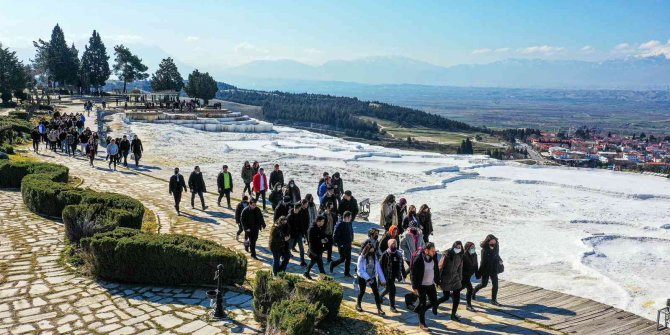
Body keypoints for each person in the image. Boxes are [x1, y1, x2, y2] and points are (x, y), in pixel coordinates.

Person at [411, 242, 440, 331]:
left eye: (434, 251)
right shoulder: (419, 258)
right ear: (426, 251)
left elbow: (436, 270)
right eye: (432, 251)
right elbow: (413, 273)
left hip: (431, 284)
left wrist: (437, 281)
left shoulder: (433, 257)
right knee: (423, 304)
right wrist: (414, 286)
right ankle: (422, 323)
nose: (434, 252)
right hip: (422, 286)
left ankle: (419, 309)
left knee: (434, 302)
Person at [356, 242, 386, 316]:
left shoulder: (374, 257)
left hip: (372, 277)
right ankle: (358, 304)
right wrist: (368, 279)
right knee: (362, 291)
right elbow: (360, 270)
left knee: (376, 293)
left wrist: (383, 280)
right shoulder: (361, 258)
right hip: (362, 277)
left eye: (373, 251)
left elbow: (378, 268)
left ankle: (379, 309)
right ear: (367, 251)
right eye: (370, 251)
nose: (372, 253)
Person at [473, 234, 503, 306]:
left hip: (494, 269)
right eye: (492, 242)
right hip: (486, 270)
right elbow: (482, 262)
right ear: (488, 242)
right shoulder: (484, 250)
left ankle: (493, 300)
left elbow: (497, 255)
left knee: (495, 285)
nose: (493, 244)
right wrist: (480, 272)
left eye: (494, 242)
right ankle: (473, 292)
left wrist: (500, 260)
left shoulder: (496, 246)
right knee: (484, 284)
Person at [438, 241, 464, 322]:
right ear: (453, 247)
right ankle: (435, 305)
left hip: (456, 279)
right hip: (446, 278)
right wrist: (438, 280)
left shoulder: (460, 256)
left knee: (457, 298)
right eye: (457, 247)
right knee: (446, 297)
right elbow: (440, 267)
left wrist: (460, 278)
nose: (458, 249)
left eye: (460, 247)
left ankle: (453, 315)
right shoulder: (447, 255)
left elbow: (460, 268)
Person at [380, 238, 406, 313]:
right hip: (387, 275)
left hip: (394, 275)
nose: (394, 245)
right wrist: (381, 277)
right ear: (389, 245)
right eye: (392, 244)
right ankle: (392, 306)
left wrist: (403, 274)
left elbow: (402, 265)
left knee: (388, 289)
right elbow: (381, 266)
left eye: (395, 244)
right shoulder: (385, 254)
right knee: (392, 290)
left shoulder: (398, 254)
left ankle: (380, 296)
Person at [331, 211, 354, 276]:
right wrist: (340, 244)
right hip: (342, 245)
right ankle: (333, 264)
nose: (351, 218)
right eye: (350, 217)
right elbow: (335, 236)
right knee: (342, 259)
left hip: (348, 244)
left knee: (348, 259)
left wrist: (351, 239)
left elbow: (351, 232)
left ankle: (347, 272)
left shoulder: (349, 223)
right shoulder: (340, 225)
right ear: (346, 217)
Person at [304, 215, 327, 280]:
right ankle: (324, 276)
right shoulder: (312, 228)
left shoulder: (319, 227)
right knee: (320, 263)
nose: (323, 222)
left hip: (319, 248)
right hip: (314, 249)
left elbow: (321, 234)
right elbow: (311, 240)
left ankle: (306, 272)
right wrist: (321, 240)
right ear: (318, 221)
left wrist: (324, 238)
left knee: (314, 261)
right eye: (322, 221)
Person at [287, 201, 309, 267]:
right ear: (297, 208)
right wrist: (288, 234)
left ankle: (302, 261)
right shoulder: (289, 216)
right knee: (289, 247)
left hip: (299, 234)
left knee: (301, 248)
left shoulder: (299, 214)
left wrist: (303, 233)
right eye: (299, 208)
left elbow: (301, 224)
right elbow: (288, 227)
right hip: (292, 235)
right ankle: (284, 256)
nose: (300, 210)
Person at [462, 241, 479, 312]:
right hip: (463, 275)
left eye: (474, 247)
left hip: (469, 275)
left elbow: (476, 265)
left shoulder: (475, 254)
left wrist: (477, 274)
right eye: (472, 247)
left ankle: (452, 294)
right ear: (467, 248)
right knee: (470, 289)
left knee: (461, 287)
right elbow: (460, 267)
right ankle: (468, 305)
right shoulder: (463, 256)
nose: (473, 249)